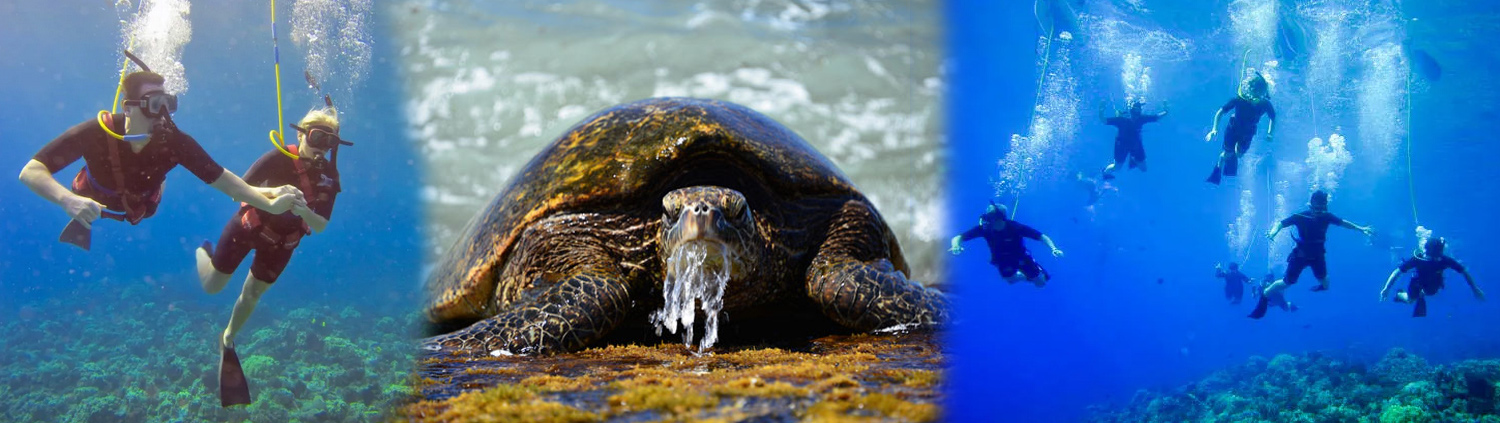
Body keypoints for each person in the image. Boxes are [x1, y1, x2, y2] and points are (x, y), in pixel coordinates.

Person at [17, 69, 304, 250]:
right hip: (92, 195)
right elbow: (31, 171)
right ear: (129, 109)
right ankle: (82, 213)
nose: (164, 115)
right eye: (156, 105)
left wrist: (267, 201)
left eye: (169, 105)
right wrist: (67, 200)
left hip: (143, 202)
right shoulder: (96, 132)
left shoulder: (174, 141)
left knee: (153, 197)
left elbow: (224, 181)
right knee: (81, 195)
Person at [196, 107, 349, 350]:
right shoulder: (278, 157)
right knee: (213, 287)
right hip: (248, 228)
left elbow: (320, 225)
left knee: (252, 294)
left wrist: (303, 211)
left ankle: (228, 337)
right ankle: (203, 253)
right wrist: (272, 194)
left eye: (329, 142)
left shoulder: (330, 176)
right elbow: (238, 190)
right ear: (301, 135)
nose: (321, 147)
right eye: (317, 137)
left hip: (283, 242)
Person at [1253, 190, 1372, 318]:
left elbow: (1343, 223)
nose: (1319, 211)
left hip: (1317, 255)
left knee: (1326, 284)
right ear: (1311, 205)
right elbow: (1281, 223)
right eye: (1317, 208)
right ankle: (1265, 294)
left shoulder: (1327, 217)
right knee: (1287, 283)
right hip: (1300, 255)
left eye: (1322, 208)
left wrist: (1361, 229)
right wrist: (1273, 232)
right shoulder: (1300, 216)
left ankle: (1320, 287)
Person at [949, 202, 1064, 287]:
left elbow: (1041, 236)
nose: (987, 222)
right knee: (1011, 280)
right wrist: (955, 246)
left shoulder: (1015, 227)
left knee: (1040, 283)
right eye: (987, 218)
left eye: (990, 218)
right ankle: (1023, 276)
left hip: (1021, 256)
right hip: (1001, 260)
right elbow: (958, 238)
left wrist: (1053, 248)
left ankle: (1036, 274)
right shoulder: (985, 229)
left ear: (1000, 219)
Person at [1379, 237, 1484, 317]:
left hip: (1434, 283)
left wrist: (1474, 288)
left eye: (1433, 256)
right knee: (1410, 300)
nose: (1429, 258)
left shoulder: (1444, 260)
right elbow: (1396, 272)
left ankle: (1421, 293)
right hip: (1417, 282)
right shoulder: (1418, 259)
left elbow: (1464, 272)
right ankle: (1399, 294)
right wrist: (1386, 288)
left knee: (1431, 293)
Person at [1204, 72, 1276, 185]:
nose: (1255, 97)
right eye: (1254, 92)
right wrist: (1214, 129)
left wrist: (1270, 132)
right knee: (1227, 154)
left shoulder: (1265, 104)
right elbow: (1220, 112)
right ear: (1250, 89)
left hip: (1248, 133)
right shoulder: (1239, 100)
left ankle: (1232, 153)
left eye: (1259, 94)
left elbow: (1273, 117)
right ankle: (1219, 166)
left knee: (1239, 154)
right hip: (1232, 130)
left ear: (1263, 93)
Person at [1100, 99, 1167, 180]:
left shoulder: (1141, 118)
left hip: (1136, 145)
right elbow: (1104, 120)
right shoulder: (1121, 120)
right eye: (1134, 111)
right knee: (1117, 168)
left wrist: (1166, 110)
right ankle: (1105, 172)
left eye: (1138, 112)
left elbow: (1156, 117)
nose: (1135, 115)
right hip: (1121, 145)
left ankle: (1134, 159)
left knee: (1144, 169)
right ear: (1130, 111)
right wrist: (1101, 110)